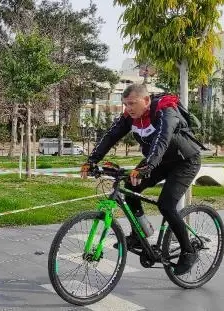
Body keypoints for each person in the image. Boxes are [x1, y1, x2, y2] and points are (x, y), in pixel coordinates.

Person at [81, 83, 201, 275]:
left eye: (132, 103)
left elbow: (162, 139)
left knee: (166, 205)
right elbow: (111, 135)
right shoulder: (131, 117)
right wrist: (92, 160)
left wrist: (147, 167)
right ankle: (140, 233)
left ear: (146, 100)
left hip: (184, 162)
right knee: (130, 188)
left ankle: (188, 251)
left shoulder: (165, 111)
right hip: (159, 161)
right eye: (125, 104)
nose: (128, 108)